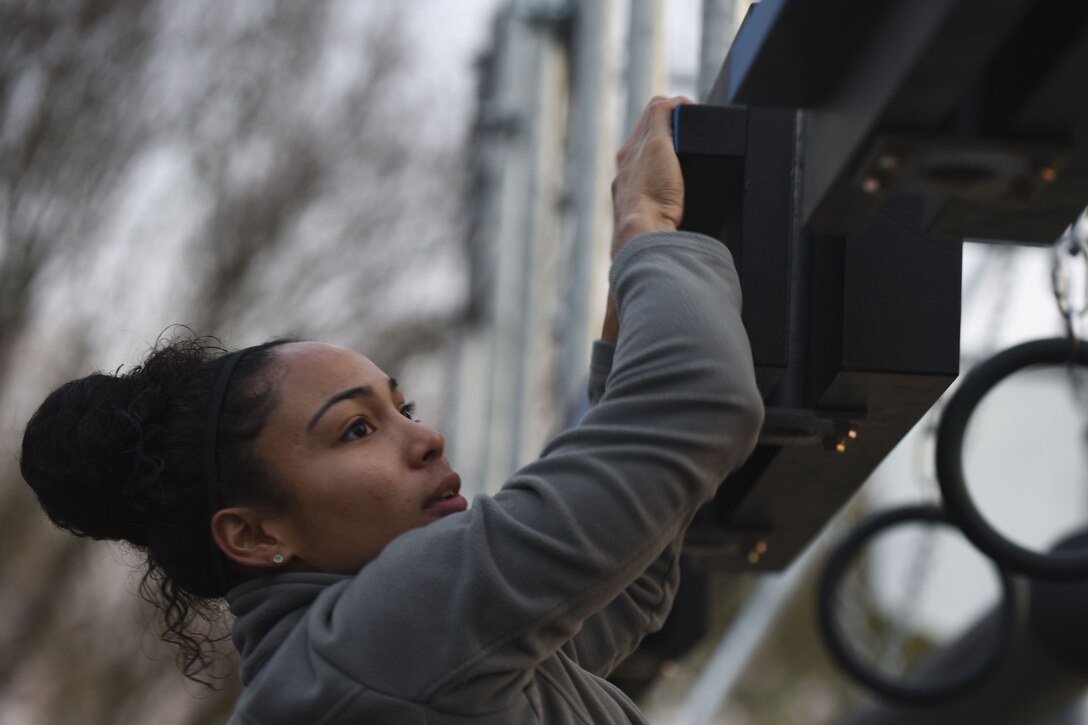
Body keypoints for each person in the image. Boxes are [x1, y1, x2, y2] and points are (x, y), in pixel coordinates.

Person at [20, 96, 764, 724]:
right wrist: (646, 226)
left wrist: (623, 325)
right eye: (357, 429)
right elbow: (699, 400)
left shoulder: (347, 667)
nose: (426, 437)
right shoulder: (371, 650)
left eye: (401, 406)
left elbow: (615, 584)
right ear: (253, 532)